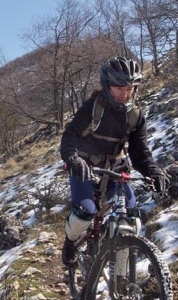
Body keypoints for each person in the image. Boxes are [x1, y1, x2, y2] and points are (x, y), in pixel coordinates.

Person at [60, 56, 169, 267]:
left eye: (130, 88)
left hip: (115, 172)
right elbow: (69, 136)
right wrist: (73, 159)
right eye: (119, 88)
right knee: (85, 213)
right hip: (85, 169)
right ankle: (70, 242)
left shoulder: (135, 116)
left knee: (131, 221)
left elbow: (140, 153)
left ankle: (120, 283)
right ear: (107, 86)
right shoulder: (93, 108)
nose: (125, 93)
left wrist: (154, 171)